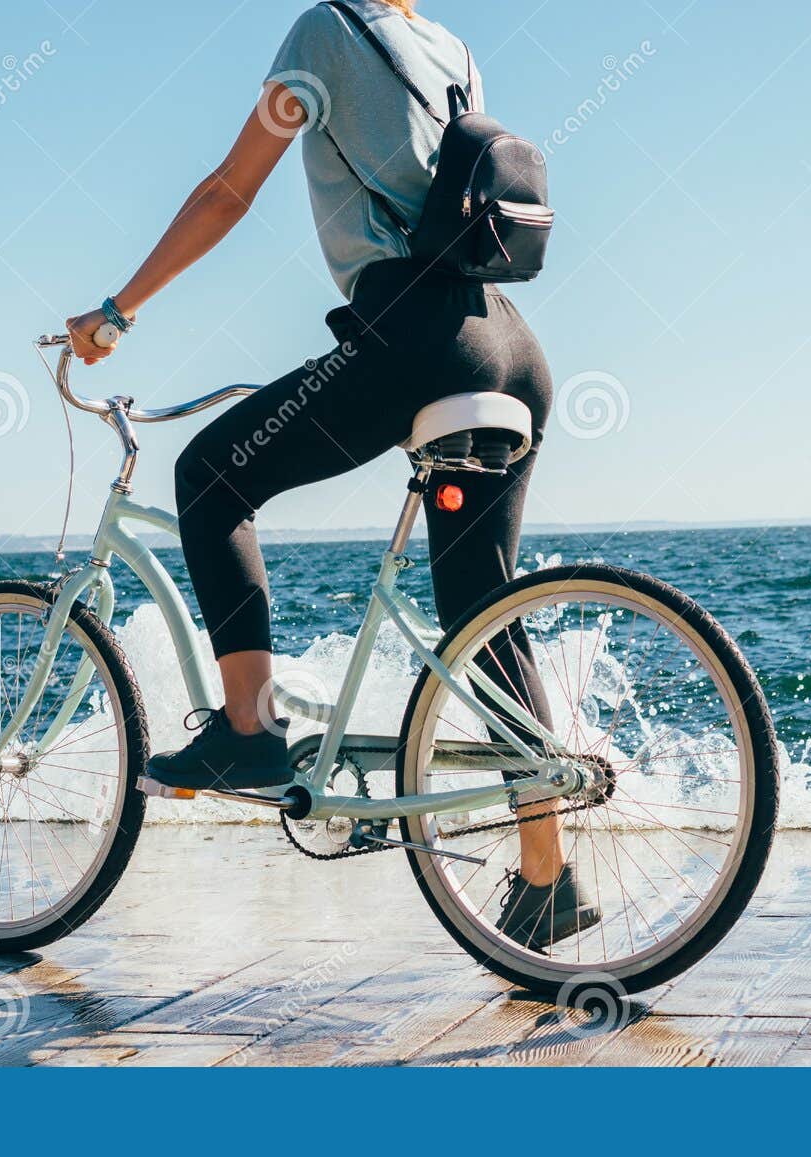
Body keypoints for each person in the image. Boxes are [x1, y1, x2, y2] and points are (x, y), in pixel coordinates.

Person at [66, 0, 595, 948]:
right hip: (509, 346)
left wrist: (117, 310)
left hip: (412, 339)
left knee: (212, 478)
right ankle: (547, 875)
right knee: (482, 604)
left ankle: (249, 731)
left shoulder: (325, 33)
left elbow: (230, 190)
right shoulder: (452, 51)